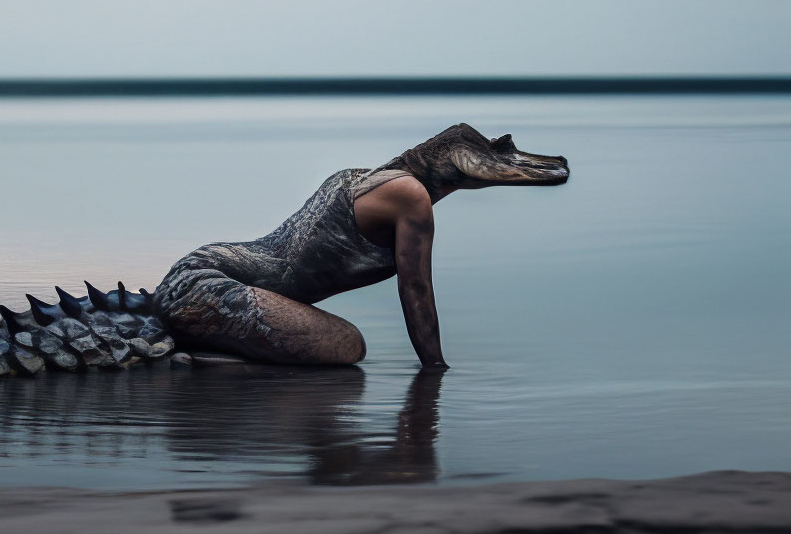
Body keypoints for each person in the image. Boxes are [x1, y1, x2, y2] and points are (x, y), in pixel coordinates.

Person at [154, 122, 569, 367]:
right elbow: (416, 289)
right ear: (457, 169)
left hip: (206, 268)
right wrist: (435, 371)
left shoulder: (362, 176)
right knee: (348, 345)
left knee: (333, 344)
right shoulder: (410, 196)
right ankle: (203, 364)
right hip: (208, 284)